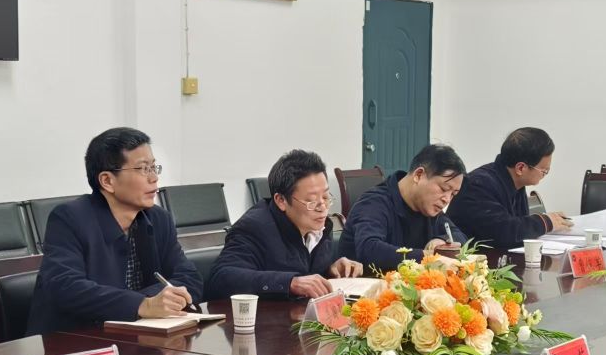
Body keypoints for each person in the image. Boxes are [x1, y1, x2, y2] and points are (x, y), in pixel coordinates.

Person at [28, 127, 204, 335]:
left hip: (138, 339)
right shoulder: (69, 218)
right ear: (107, 181)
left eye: (154, 167)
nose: (154, 178)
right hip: (75, 342)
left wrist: (153, 301)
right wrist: (142, 304)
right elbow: (66, 287)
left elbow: (189, 278)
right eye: (143, 169)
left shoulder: (159, 219)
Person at [208, 150, 363, 299]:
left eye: (325, 196)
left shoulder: (320, 226)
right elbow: (221, 278)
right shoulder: (253, 228)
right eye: (311, 200)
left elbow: (307, 274)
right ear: (281, 200)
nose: (322, 207)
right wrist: (290, 283)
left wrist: (331, 270)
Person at [341, 143, 465, 270]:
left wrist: (441, 241)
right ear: (418, 175)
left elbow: (459, 236)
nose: (447, 199)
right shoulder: (374, 203)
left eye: (453, 194)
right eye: (444, 189)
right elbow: (370, 250)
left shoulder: (429, 208)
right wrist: (429, 257)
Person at [449, 127, 571, 250]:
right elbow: (504, 233)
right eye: (544, 171)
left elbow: (518, 224)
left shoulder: (515, 182)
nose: (544, 175)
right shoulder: (479, 185)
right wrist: (545, 222)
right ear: (521, 168)